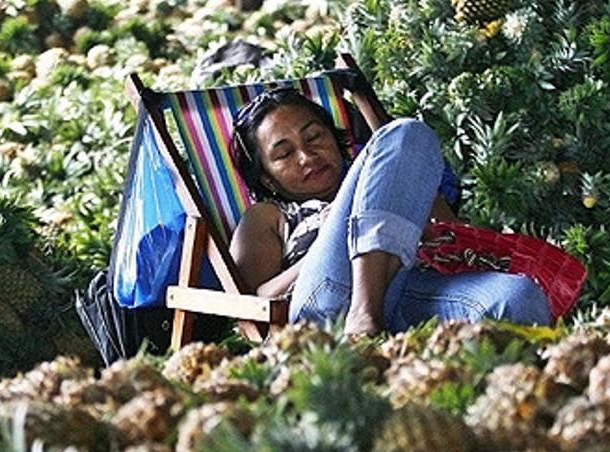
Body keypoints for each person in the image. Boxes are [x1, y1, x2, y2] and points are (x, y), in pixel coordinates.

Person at [229, 87, 551, 336]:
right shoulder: (268, 214)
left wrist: (417, 229)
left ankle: (374, 326)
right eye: (284, 154)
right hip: (326, 302)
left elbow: (451, 235)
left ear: (334, 138)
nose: (307, 155)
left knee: (520, 297)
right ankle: (363, 314)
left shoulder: (386, 178)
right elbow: (253, 301)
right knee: (401, 132)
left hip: (407, 291)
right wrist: (335, 233)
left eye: (314, 136)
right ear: (267, 177)